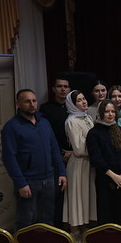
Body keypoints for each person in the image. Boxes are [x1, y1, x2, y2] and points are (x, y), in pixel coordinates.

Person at [1, 89, 67, 231]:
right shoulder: (11, 127)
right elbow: (9, 158)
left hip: (49, 179)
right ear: (18, 104)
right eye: (27, 101)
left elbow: (54, 149)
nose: (32, 104)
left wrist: (62, 172)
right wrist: (21, 183)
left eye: (34, 101)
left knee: (47, 219)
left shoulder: (44, 122)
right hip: (28, 182)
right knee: (26, 220)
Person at [86, 100, 121, 229]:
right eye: (107, 111)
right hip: (105, 178)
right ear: (101, 113)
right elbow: (96, 158)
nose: (110, 114)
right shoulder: (94, 133)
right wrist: (113, 176)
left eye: (113, 111)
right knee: (106, 212)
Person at [62, 90, 97, 243]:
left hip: (89, 164)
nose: (84, 102)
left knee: (86, 197)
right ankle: (75, 233)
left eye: (84, 99)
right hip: (78, 165)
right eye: (79, 100)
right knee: (76, 198)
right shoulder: (72, 121)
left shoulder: (87, 117)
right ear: (72, 104)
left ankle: (84, 230)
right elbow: (78, 148)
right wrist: (98, 149)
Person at [39, 77, 72, 229]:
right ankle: (56, 228)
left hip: (75, 156)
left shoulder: (73, 107)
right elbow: (46, 135)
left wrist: (73, 152)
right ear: (53, 89)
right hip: (55, 157)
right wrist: (60, 153)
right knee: (57, 194)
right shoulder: (46, 109)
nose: (63, 89)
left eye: (65, 86)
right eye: (59, 86)